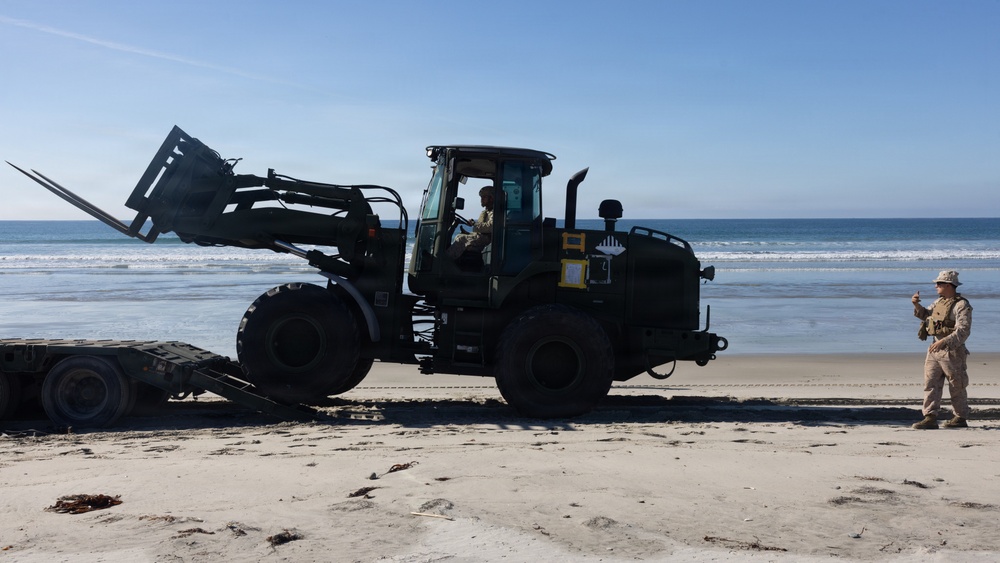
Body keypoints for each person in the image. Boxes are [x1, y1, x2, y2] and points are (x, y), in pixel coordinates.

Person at [910, 270, 973, 429]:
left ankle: (960, 417)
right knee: (930, 382)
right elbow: (926, 315)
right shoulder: (939, 302)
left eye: (939, 284)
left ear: (949, 285)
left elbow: (963, 330)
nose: (936, 286)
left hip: (953, 351)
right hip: (934, 349)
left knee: (956, 384)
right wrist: (916, 305)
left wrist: (944, 342)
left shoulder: (961, 305)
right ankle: (930, 417)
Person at [447, 185, 494, 259]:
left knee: (461, 239)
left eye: (484, 197)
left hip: (488, 241)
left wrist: (475, 224)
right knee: (459, 236)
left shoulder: (494, 212)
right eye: (481, 197)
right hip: (483, 238)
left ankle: (445, 260)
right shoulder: (487, 212)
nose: (481, 200)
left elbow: (491, 227)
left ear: (491, 198)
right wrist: (469, 233)